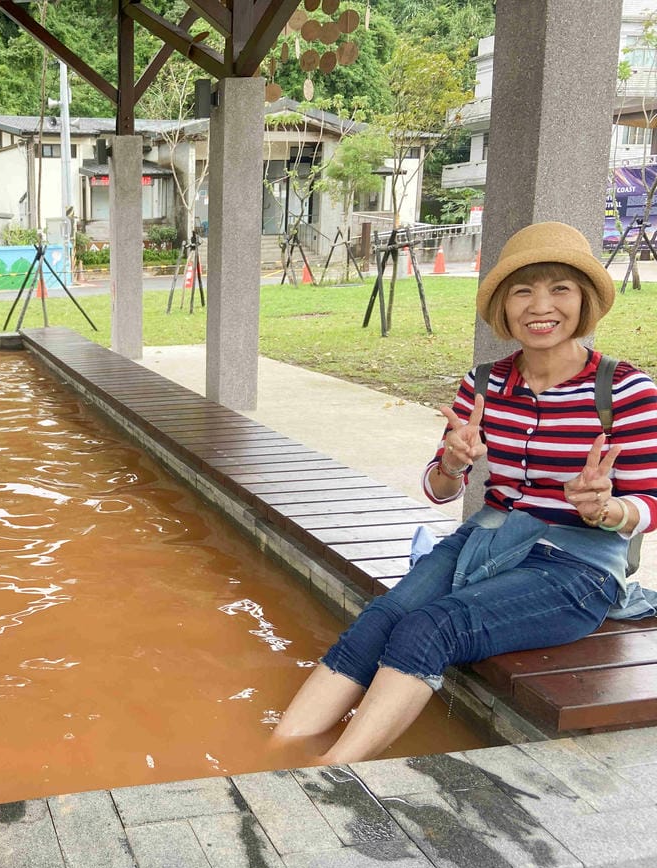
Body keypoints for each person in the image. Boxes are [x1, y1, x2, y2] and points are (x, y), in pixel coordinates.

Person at [273, 221, 657, 764]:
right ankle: (272, 753)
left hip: (577, 567)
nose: (539, 306)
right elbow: (437, 487)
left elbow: (649, 506)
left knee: (432, 626)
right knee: (380, 619)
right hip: (488, 541)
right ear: (503, 305)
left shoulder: (625, 391)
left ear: (585, 301)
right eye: (523, 290)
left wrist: (609, 507)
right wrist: (452, 466)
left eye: (559, 289)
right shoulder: (483, 385)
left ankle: (327, 774)